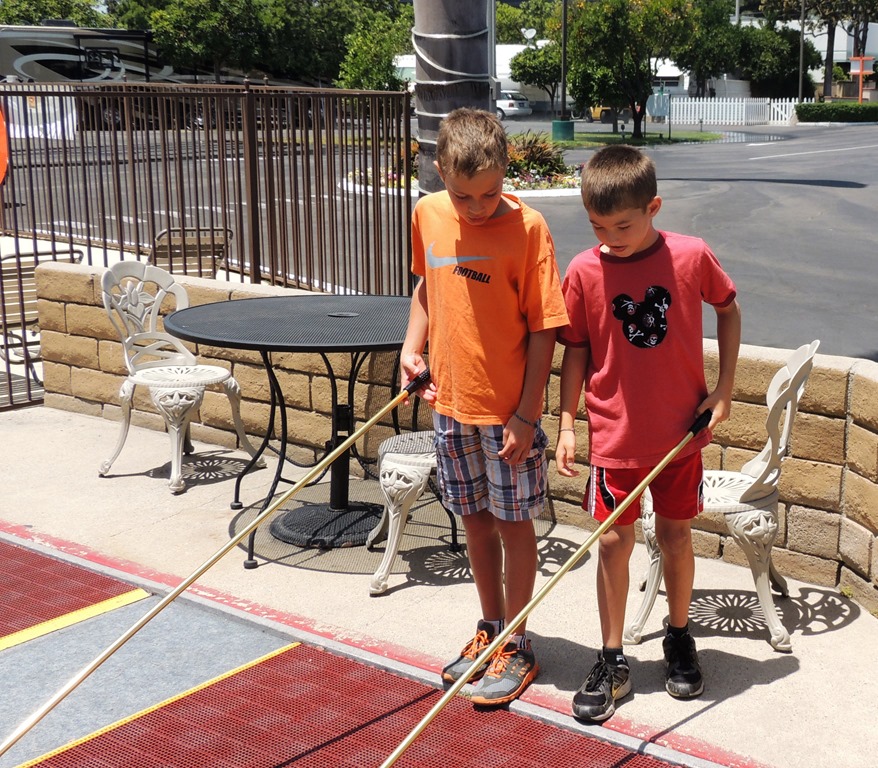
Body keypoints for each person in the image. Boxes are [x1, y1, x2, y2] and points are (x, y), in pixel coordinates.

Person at [555, 144, 741, 722]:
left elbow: (729, 309)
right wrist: (565, 422)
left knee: (678, 537)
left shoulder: (691, 256)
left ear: (654, 206)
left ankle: (679, 635)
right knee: (612, 544)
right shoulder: (585, 270)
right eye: (597, 226)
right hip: (614, 438)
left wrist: (724, 390)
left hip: (680, 437)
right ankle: (611, 658)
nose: (610, 237)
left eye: (624, 225)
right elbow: (577, 351)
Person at [400, 107, 569, 706]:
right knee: (473, 519)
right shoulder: (427, 213)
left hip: (507, 417)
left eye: (490, 193)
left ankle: (518, 643)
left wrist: (527, 415)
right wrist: (410, 348)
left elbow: (546, 327)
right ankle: (491, 627)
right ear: (439, 169)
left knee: (513, 524)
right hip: (451, 403)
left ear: (505, 172)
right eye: (463, 193)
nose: (476, 207)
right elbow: (426, 288)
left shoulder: (528, 229)